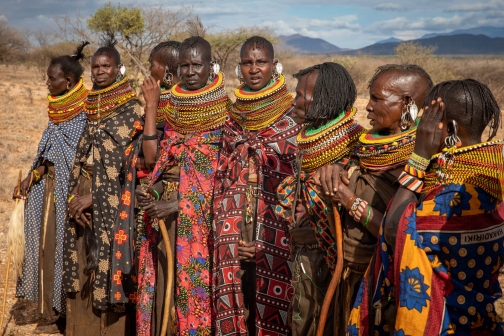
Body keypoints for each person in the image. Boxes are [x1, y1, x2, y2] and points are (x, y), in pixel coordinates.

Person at [347, 79, 504, 335]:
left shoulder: (453, 197)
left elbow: (395, 230)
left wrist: (419, 156)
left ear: (451, 128)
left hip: (444, 323)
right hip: (482, 321)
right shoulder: (494, 180)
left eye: (430, 121)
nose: (422, 127)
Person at [317, 64, 433, 334]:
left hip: (386, 285)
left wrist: (350, 201)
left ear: (406, 103)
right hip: (346, 275)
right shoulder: (364, 149)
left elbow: (403, 232)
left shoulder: (423, 163)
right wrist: (334, 169)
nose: (367, 107)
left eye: (377, 99)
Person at [135, 33, 231, 335]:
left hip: (204, 228)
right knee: (166, 287)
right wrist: (154, 192)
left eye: (197, 65)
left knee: (193, 293)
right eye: (185, 66)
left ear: (211, 67)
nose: (190, 72)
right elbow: (164, 164)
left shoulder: (227, 118)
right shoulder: (175, 114)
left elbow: (224, 184)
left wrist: (177, 205)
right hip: (167, 219)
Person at [212, 36, 301, 336]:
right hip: (235, 223)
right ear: (239, 68)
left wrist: (264, 236)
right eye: (247, 63)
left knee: (272, 302)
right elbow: (222, 178)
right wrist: (234, 231)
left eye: (260, 62)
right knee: (239, 294)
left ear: (275, 66)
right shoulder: (232, 118)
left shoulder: (291, 117)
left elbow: (294, 179)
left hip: (276, 225)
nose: (254, 69)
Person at [275, 62, 365, 335]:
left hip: (339, 268)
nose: (295, 101)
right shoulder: (309, 143)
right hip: (305, 261)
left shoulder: (358, 148)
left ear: (324, 100)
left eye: (302, 95)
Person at [63, 36, 142, 335]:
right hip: (83, 188)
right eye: (95, 66)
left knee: (107, 262)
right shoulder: (91, 106)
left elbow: (129, 170)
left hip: (113, 201)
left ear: (119, 69)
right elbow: (82, 153)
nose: (98, 71)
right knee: (84, 258)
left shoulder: (131, 109)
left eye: (106, 66)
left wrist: (94, 199)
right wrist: (75, 196)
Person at [13, 41, 89, 334]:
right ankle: (44, 307)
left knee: (61, 249)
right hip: (47, 191)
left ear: (68, 81)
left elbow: (74, 159)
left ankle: (61, 313)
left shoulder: (83, 114)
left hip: (69, 192)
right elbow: (49, 154)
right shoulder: (57, 111)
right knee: (42, 248)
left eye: (51, 78)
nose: (47, 82)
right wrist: (33, 176)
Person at [109, 40, 181, 311]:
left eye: (153, 65)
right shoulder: (165, 101)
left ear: (167, 70)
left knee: (166, 273)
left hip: (171, 200)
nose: (149, 70)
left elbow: (153, 158)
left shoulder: (179, 106)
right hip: (149, 194)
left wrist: (151, 105)